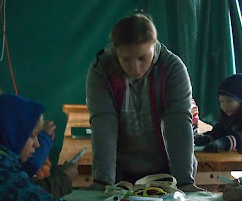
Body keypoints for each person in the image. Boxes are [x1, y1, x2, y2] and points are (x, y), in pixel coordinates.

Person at [86, 13, 200, 191]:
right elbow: (103, 124)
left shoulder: (172, 68)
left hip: (168, 173)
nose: (135, 67)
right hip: (120, 174)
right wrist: (102, 182)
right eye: (126, 59)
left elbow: (178, 123)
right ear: (116, 51)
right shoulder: (101, 71)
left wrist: (185, 182)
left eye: (142, 58)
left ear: (154, 46)